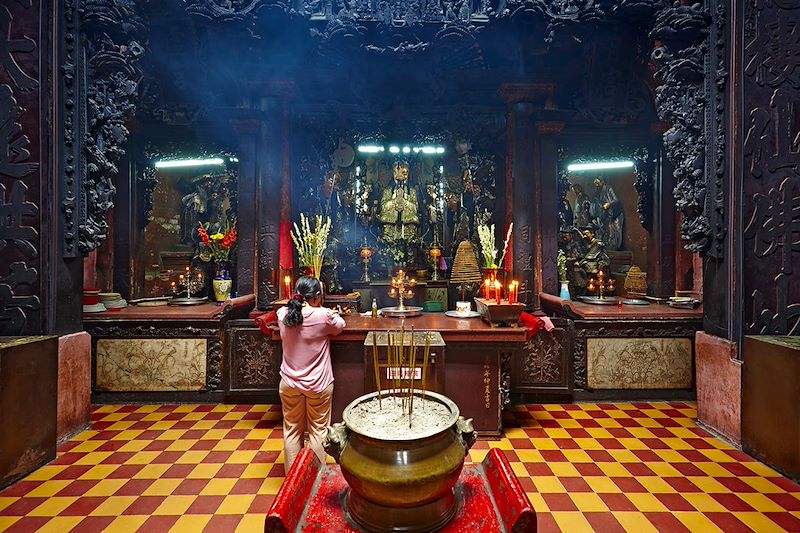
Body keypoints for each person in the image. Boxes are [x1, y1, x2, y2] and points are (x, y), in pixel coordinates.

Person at [276, 276, 345, 470]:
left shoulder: (283, 314)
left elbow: (288, 313)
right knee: (318, 431)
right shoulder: (323, 315)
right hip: (318, 385)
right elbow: (340, 326)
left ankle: (293, 482)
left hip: (289, 383)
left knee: (291, 431)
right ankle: (314, 480)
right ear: (316, 297)